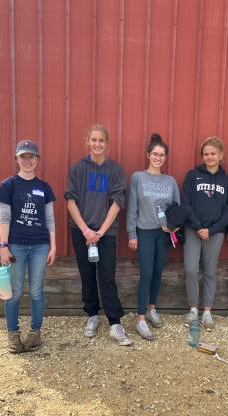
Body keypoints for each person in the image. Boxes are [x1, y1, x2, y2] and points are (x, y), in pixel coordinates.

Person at [64, 124, 132, 346]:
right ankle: (92, 315)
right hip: (81, 231)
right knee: (87, 274)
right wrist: (85, 230)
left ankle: (115, 322)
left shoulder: (115, 170)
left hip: (106, 233)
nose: (97, 144)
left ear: (107, 143)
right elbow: (70, 201)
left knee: (107, 276)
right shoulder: (78, 169)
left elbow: (117, 203)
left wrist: (100, 231)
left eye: (101, 140)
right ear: (88, 142)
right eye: (93, 140)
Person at [0, 140, 56, 353]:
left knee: (37, 292)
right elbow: (4, 218)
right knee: (15, 292)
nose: (27, 160)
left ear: (38, 160)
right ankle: (13, 334)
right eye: (23, 156)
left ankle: (35, 334)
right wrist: (3, 246)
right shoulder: (8, 186)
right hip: (17, 246)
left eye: (31, 156)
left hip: (40, 246)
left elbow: (50, 219)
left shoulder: (44, 187)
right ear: (17, 159)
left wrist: (53, 246)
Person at [127, 133, 180, 340]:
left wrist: (173, 227)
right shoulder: (138, 178)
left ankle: (151, 309)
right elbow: (132, 208)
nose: (158, 158)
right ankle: (140, 319)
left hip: (162, 234)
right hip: (145, 232)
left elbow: (178, 207)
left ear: (165, 158)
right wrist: (132, 233)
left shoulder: (170, 181)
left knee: (158, 273)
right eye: (155, 154)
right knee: (146, 274)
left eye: (162, 155)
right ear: (148, 155)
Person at [181, 136, 228, 331]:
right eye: (206, 154)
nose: (210, 157)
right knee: (191, 269)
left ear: (221, 155)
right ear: (202, 157)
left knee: (210, 271)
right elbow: (185, 204)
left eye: (213, 153)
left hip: (216, 232)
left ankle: (207, 312)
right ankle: (194, 309)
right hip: (193, 229)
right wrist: (198, 227)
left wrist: (211, 230)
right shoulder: (192, 176)